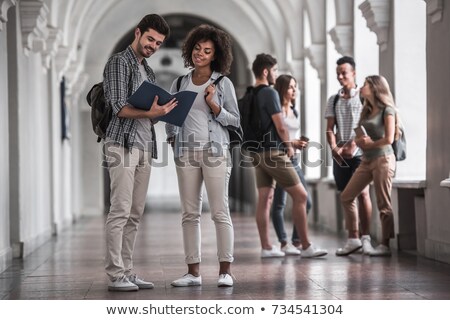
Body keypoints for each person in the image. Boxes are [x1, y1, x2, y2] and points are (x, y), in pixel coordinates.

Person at [103, 14, 177, 292]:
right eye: (150, 39)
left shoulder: (149, 70)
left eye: (158, 43)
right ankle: (115, 274)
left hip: (145, 145)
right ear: (138, 33)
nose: (153, 46)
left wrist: (164, 113)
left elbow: (148, 115)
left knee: (135, 213)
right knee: (120, 210)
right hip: (122, 144)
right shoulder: (118, 63)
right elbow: (120, 107)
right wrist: (151, 112)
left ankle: (127, 270)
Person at [166, 24, 240, 287]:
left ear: (215, 55)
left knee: (220, 212)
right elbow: (173, 116)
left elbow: (235, 121)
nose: (200, 54)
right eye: (197, 48)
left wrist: (214, 105)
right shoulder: (180, 82)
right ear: (190, 49)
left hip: (215, 152)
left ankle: (225, 271)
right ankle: (193, 273)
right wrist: (172, 136)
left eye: (207, 51)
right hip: (186, 153)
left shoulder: (222, 83)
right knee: (189, 213)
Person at [249, 53, 328, 259]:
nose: (276, 74)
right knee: (301, 196)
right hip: (274, 152)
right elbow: (281, 125)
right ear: (266, 71)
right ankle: (306, 246)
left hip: (256, 152)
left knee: (265, 199)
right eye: (274, 70)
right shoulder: (270, 93)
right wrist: (289, 146)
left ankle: (267, 247)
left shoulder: (249, 94)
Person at [338, 75, 397, 257]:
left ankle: (385, 245)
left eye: (365, 85)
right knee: (347, 196)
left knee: (383, 203)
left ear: (375, 88)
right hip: (366, 160)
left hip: (383, 159)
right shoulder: (366, 109)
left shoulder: (387, 110)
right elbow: (359, 135)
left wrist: (369, 144)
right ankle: (356, 239)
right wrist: (359, 140)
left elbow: (389, 138)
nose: (361, 87)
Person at [324, 56, 374, 255]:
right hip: (340, 156)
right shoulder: (333, 99)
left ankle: (366, 237)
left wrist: (354, 144)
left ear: (354, 73)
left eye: (344, 72)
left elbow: (368, 124)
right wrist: (334, 148)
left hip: (362, 154)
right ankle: (353, 238)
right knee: (346, 195)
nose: (340, 76)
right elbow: (329, 128)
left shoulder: (363, 97)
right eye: (338, 73)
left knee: (363, 194)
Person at [271, 74, 312, 255]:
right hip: (280, 158)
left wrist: (298, 143)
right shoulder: (276, 110)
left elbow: (291, 134)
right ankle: (283, 242)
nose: (294, 90)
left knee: (306, 202)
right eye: (290, 87)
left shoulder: (294, 111)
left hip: (293, 159)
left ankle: (295, 241)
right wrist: (291, 143)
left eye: (295, 87)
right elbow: (274, 136)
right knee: (279, 204)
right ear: (282, 90)